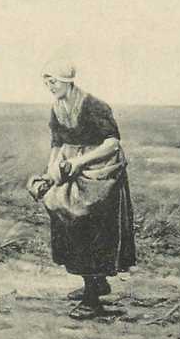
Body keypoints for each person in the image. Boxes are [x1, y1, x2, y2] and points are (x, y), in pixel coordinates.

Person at [27, 60, 136, 319]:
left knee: (92, 230)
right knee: (67, 222)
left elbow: (112, 144)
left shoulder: (93, 105)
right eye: (46, 81)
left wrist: (78, 162)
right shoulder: (57, 108)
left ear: (68, 80)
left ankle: (92, 300)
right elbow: (57, 145)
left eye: (53, 81)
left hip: (100, 173)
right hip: (71, 170)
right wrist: (50, 174)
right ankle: (96, 283)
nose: (49, 86)